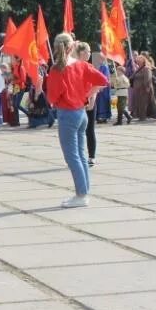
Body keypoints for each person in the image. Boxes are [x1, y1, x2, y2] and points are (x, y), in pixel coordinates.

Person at [45, 33, 108, 208]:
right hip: (81, 113)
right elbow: (103, 80)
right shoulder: (81, 65)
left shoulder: (57, 69)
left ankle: (81, 195)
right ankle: (84, 192)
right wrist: (89, 94)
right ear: (72, 47)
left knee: (72, 157)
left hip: (67, 113)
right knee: (81, 155)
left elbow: (52, 96)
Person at [73, 43, 99, 165]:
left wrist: (92, 98)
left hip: (89, 102)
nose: (90, 54)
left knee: (90, 129)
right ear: (82, 53)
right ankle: (78, 155)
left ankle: (91, 156)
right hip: (77, 103)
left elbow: (98, 83)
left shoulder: (90, 67)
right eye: (88, 51)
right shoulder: (74, 67)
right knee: (77, 130)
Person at [129, 55, 156, 121]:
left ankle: (143, 116)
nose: (137, 62)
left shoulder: (146, 68)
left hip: (144, 89)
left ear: (143, 61)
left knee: (143, 103)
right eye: (137, 61)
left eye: (139, 60)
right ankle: (140, 116)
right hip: (138, 89)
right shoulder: (138, 69)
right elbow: (132, 77)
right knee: (139, 103)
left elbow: (148, 78)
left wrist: (146, 87)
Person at [93, 51, 112, 123]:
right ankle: (100, 116)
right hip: (100, 87)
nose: (98, 60)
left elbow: (105, 78)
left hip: (104, 88)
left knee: (103, 102)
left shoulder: (104, 67)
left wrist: (101, 86)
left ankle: (103, 117)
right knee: (100, 102)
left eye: (100, 58)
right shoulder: (100, 66)